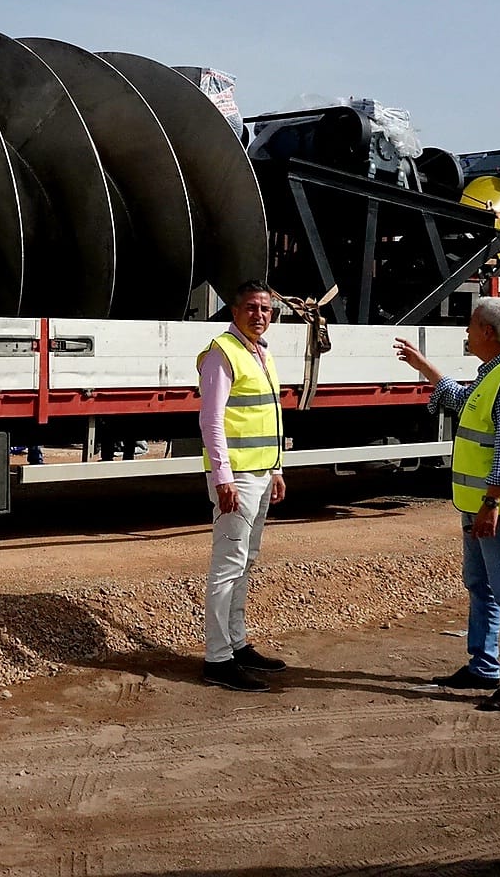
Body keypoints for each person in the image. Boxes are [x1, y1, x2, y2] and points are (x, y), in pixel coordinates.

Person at [393, 296, 500, 712]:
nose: (466, 331)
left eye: (471, 325)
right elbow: (458, 399)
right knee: (481, 587)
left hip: (498, 509)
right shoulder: (492, 374)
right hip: (479, 505)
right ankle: (483, 666)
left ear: (488, 333)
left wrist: (492, 503)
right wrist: (424, 367)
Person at [196, 279, 288, 691]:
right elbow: (211, 421)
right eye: (251, 307)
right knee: (227, 566)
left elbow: (269, 415)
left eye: (266, 309)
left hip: (261, 474)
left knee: (245, 562)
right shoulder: (222, 353)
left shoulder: (261, 353)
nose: (260, 315)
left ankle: (236, 643)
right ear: (235, 312)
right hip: (238, 479)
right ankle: (217, 659)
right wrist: (223, 478)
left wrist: (277, 467)